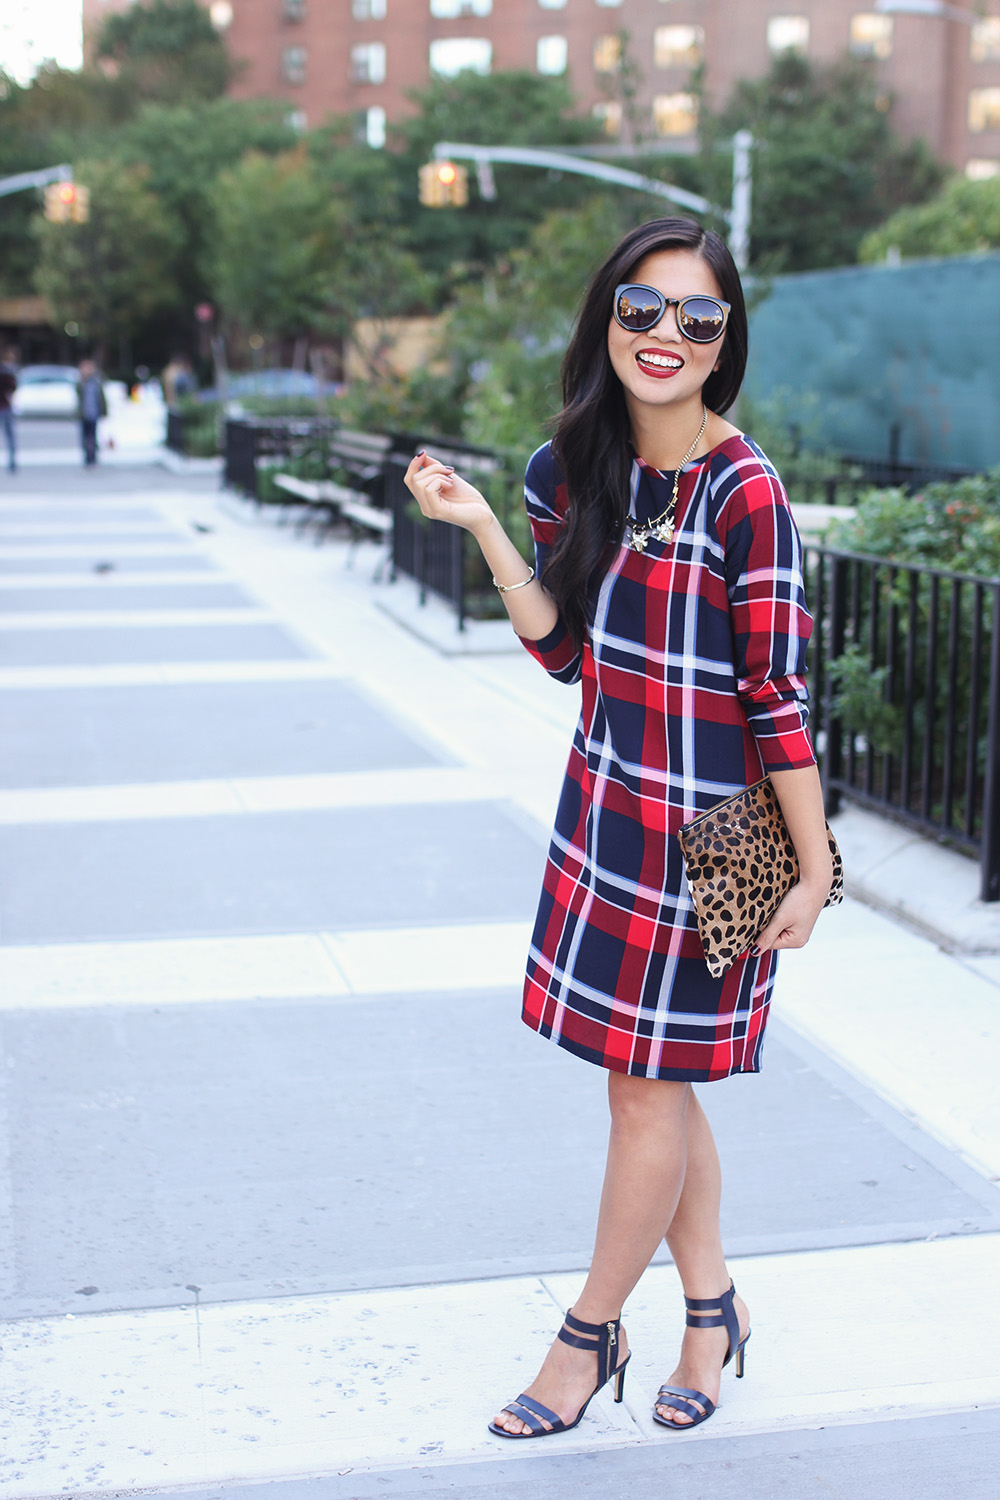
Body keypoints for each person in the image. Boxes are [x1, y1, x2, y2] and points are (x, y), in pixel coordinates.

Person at [404, 218, 834, 1439]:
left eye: (697, 318)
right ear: (608, 318)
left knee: (649, 1093)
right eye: (642, 308)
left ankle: (588, 1335)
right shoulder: (569, 468)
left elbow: (775, 692)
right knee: (651, 1088)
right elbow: (565, 654)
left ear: (724, 344)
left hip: (722, 844)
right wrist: (485, 527)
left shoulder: (743, 491)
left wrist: (812, 871)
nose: (664, 335)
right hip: (608, 815)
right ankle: (712, 1310)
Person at [77, 359, 107, 466]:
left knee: (93, 436)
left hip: (94, 413)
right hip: (84, 413)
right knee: (85, 436)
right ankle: (87, 456)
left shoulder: (96, 382)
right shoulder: (82, 382)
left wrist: (104, 411)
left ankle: (92, 457)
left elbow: (102, 397)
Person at [0, 348, 18, 473]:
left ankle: (12, 461)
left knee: (10, 435)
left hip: (5, 406)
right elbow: (13, 387)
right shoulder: (7, 372)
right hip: (5, 406)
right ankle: (12, 462)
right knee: (10, 436)